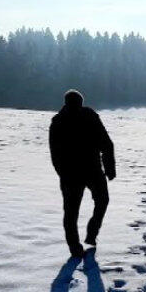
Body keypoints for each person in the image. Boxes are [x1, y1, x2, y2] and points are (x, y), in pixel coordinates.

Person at [49, 89, 116, 258]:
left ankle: (87, 236)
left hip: (88, 170)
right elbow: (55, 153)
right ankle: (77, 245)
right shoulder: (60, 121)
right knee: (73, 212)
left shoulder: (84, 117)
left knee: (83, 208)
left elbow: (106, 143)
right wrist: (63, 173)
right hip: (79, 172)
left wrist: (109, 168)